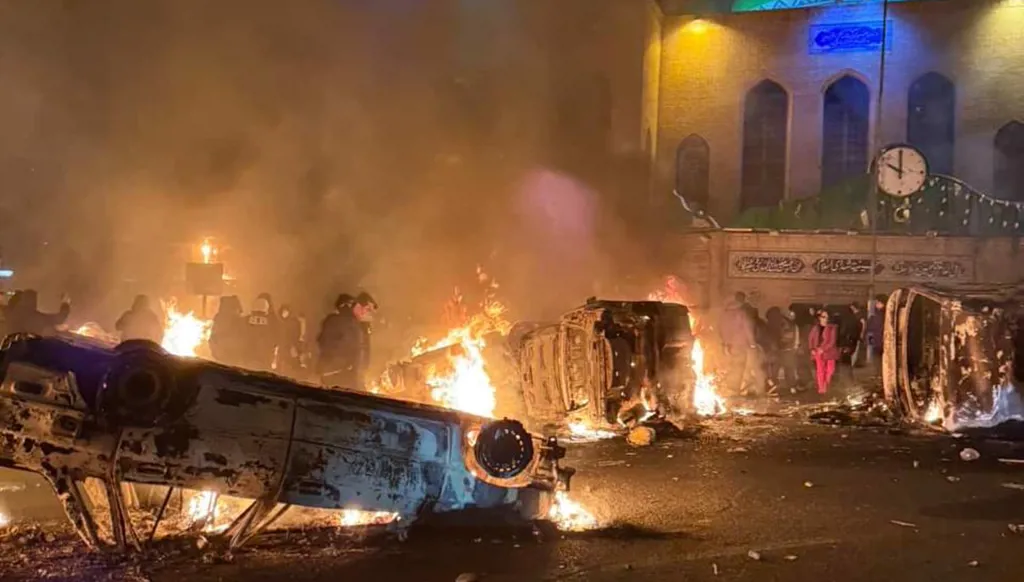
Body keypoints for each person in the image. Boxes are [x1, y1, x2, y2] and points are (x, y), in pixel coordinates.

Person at [316, 293, 362, 389]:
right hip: (339, 371)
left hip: (335, 370)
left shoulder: (332, 320)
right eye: (352, 305)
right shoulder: (346, 323)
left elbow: (321, 340)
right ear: (345, 306)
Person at [5, 290, 71, 336]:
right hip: (24, 349)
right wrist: (65, 303)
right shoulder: (31, 316)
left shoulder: (10, 313)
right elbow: (59, 318)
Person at [808, 310, 839, 395]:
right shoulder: (816, 328)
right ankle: (821, 388)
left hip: (829, 352)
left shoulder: (832, 327)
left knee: (830, 370)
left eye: (827, 317)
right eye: (823, 317)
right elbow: (811, 338)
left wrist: (823, 349)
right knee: (820, 370)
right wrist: (812, 349)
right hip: (818, 351)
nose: (826, 319)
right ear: (819, 318)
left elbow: (832, 341)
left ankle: (826, 385)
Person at [210, 295, 246, 367]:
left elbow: (213, 338)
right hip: (230, 355)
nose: (240, 312)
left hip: (222, 355)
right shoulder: (237, 320)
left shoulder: (219, 319)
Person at [243, 296, 277, 372]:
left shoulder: (245, 320)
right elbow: (275, 339)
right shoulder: (271, 322)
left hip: (247, 355)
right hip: (264, 357)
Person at [276, 304, 303, 378]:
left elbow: (296, 335)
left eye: (286, 311)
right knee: (282, 363)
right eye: (283, 311)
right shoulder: (281, 322)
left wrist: (294, 346)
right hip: (283, 346)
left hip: (291, 346)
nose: (284, 313)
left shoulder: (293, 322)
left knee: (292, 364)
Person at [865, 295, 887, 379]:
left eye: (878, 302)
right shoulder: (876, 315)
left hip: (882, 341)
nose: (876, 304)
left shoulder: (884, 315)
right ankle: (878, 374)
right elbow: (870, 328)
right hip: (877, 341)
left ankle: (881, 375)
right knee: (877, 358)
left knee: (881, 359)